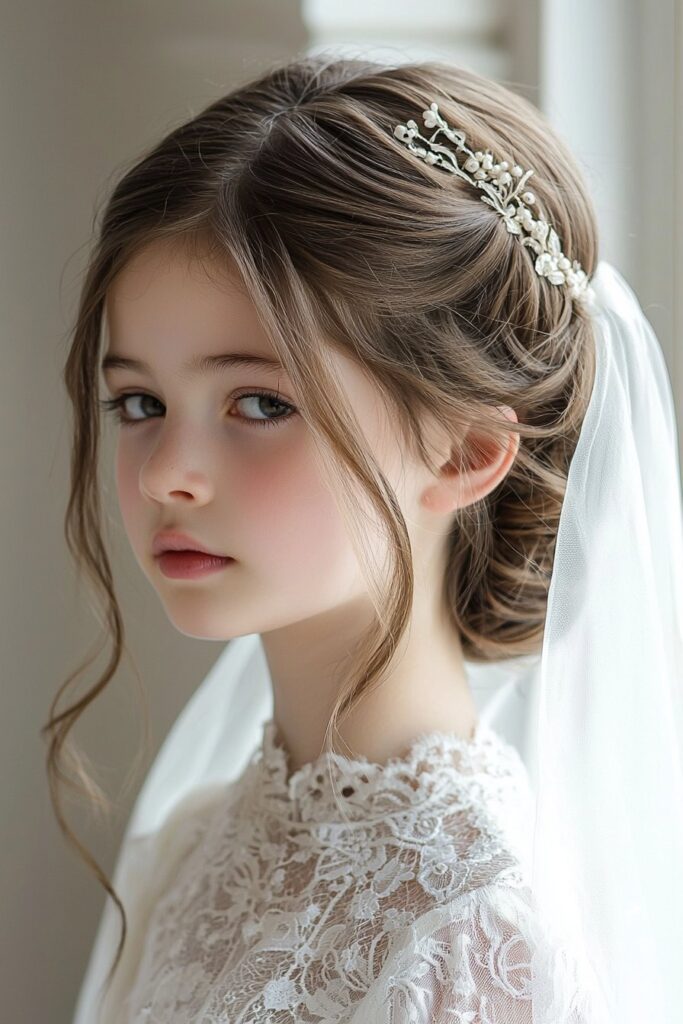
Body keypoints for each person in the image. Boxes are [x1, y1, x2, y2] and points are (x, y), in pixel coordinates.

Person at [50, 55, 683, 1024]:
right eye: (140, 401)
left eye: (257, 402)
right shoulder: (186, 847)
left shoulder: (474, 928)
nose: (163, 471)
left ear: (466, 450)